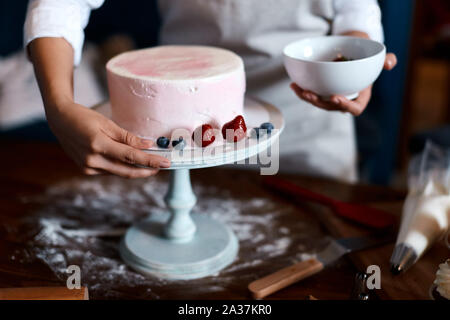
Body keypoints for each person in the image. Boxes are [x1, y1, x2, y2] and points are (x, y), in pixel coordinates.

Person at [24, 0, 397, 181]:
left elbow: (355, 14)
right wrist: (58, 104)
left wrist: (351, 70)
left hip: (308, 129)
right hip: (180, 126)